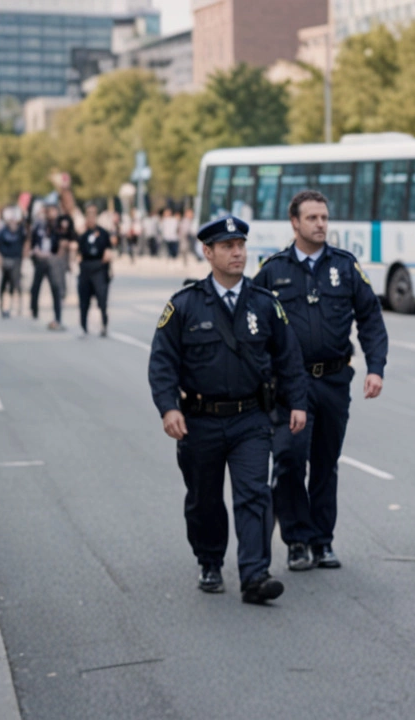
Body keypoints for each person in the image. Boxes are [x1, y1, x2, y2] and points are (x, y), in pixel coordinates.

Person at [148, 215, 308, 604]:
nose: (237, 253)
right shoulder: (184, 305)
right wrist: (169, 409)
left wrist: (297, 403)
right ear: (208, 252)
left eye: (240, 245)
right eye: (227, 247)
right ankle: (210, 560)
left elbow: (289, 358)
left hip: (250, 419)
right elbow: (162, 362)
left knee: (254, 494)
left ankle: (254, 576)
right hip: (199, 420)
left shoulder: (265, 304)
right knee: (203, 498)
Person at [252, 190, 389, 571]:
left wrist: (375, 367)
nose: (320, 225)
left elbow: (371, 319)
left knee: (326, 462)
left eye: (324, 218)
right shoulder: (272, 270)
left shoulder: (345, 266)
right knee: (291, 459)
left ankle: (322, 540)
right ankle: (296, 540)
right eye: (312, 218)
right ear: (294, 223)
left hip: (333, 381)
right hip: (289, 385)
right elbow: (253, 329)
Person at [75, 204, 114, 337]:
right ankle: (83, 327)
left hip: (99, 269)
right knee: (84, 301)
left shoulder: (103, 233)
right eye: (88, 215)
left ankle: (104, 324)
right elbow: (78, 253)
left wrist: (107, 268)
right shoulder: (83, 235)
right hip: (86, 269)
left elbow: (108, 254)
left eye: (93, 215)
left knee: (102, 300)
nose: (91, 218)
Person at [29, 203, 69, 331]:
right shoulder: (39, 225)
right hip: (40, 260)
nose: (51, 214)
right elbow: (33, 241)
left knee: (56, 290)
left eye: (53, 211)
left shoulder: (60, 227)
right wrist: (35, 252)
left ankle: (58, 317)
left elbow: (64, 243)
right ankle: (34, 310)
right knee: (35, 288)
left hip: (53, 260)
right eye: (49, 211)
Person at [0, 208, 27, 318]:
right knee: (4, 285)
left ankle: (16, 307)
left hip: (16, 260)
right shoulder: (3, 232)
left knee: (16, 285)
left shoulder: (21, 231)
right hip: (6, 260)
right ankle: (3, 308)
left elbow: (28, 240)